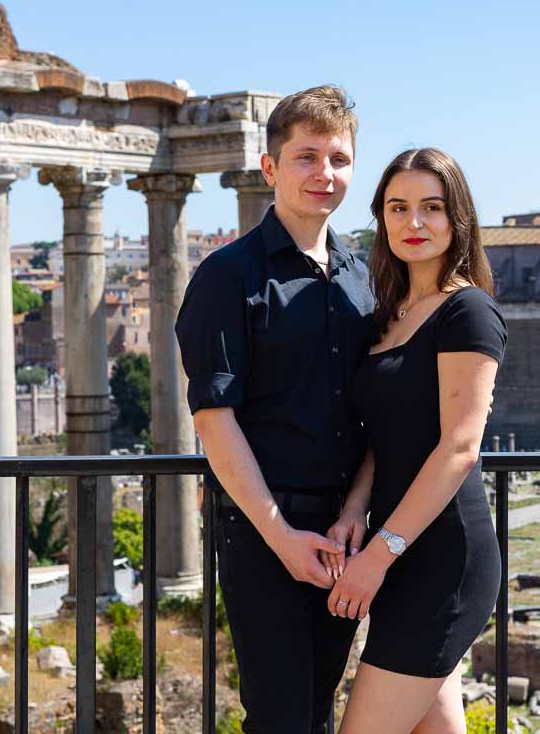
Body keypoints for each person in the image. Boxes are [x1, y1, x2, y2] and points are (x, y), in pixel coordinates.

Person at [175, 85, 375, 734]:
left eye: (339, 159)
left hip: (346, 532)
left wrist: (353, 513)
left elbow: (378, 410)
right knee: (280, 718)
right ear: (270, 168)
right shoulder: (226, 276)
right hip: (265, 529)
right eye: (307, 157)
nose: (325, 174)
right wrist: (280, 535)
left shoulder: (364, 274)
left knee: (318, 710)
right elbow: (213, 418)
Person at [327, 148, 506, 733]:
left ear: (458, 219)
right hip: (401, 550)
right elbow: (388, 435)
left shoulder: (468, 311)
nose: (414, 223)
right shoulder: (391, 313)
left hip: (443, 559)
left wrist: (377, 557)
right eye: (398, 208)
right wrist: (356, 508)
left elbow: (459, 448)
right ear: (381, 218)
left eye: (432, 207)